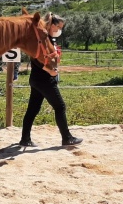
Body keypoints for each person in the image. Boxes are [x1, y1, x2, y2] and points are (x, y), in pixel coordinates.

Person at [19, 13, 83, 147]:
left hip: (37, 79)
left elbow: (51, 58)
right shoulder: (43, 38)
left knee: (33, 109)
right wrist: (49, 70)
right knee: (60, 106)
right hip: (44, 80)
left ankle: (25, 139)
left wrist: (56, 60)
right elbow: (36, 58)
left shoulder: (50, 39)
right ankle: (67, 138)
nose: (60, 30)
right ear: (52, 25)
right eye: (58, 27)